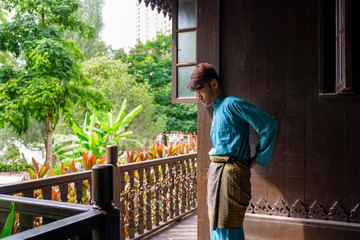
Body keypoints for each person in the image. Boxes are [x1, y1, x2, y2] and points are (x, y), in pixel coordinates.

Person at [188, 63, 277, 240]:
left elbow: (268, 124)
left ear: (213, 84)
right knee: (217, 227)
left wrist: (256, 159)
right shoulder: (217, 111)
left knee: (228, 229)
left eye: (200, 90)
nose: (198, 96)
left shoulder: (232, 104)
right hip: (217, 175)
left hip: (231, 175)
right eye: (196, 93)